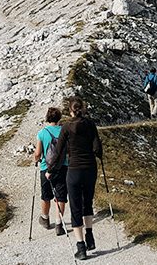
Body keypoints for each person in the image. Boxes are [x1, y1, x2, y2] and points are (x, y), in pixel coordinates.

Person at [47, 97, 103, 260]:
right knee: (88, 203)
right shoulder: (91, 124)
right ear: (83, 109)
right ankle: (90, 236)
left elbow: (59, 152)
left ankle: (81, 247)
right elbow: (97, 147)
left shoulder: (66, 127)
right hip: (90, 169)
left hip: (74, 170)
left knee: (76, 206)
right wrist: (99, 156)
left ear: (70, 111)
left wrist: (50, 170)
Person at [33, 107, 68, 236]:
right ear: (59, 118)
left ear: (48, 118)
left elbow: (37, 153)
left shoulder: (42, 133)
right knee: (61, 196)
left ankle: (45, 219)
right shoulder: (65, 131)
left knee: (46, 195)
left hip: (45, 168)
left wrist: (36, 159)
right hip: (63, 167)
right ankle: (59, 224)